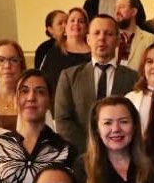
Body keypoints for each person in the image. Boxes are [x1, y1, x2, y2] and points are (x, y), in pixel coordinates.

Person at [54, 15, 139, 153]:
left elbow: (136, 119)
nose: (102, 38)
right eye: (96, 33)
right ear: (88, 39)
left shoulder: (133, 78)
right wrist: (91, 148)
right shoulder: (69, 77)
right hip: (81, 155)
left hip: (123, 153)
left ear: (118, 40)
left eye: (108, 34)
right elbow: (62, 120)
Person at [39, 7, 91, 91]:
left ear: (86, 28)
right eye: (72, 20)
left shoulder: (93, 53)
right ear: (66, 27)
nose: (76, 24)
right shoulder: (54, 51)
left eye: (81, 21)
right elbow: (44, 81)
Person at [0, 39, 26, 129]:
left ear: (21, 67)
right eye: (1, 60)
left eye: (14, 60)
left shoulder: (30, 100)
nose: (7, 66)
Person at [114, 0, 152, 73]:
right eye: (115, 8)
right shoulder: (110, 38)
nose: (117, 12)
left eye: (122, 7)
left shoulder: (149, 39)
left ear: (134, 11)